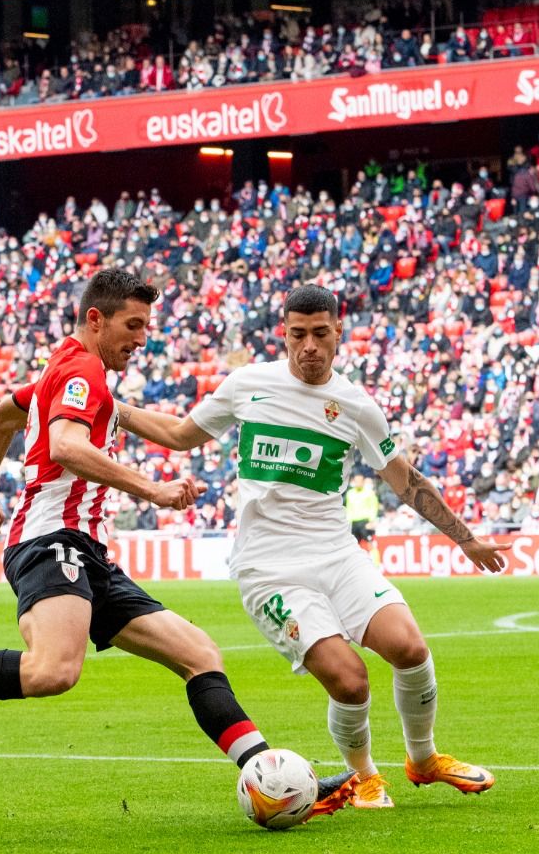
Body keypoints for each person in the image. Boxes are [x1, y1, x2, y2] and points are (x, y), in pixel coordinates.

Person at [0, 269, 353, 817]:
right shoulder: (82, 370)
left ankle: (272, 780)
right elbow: (66, 446)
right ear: (96, 319)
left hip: (88, 553)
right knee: (53, 670)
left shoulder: (67, 370)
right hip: (52, 541)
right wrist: (153, 489)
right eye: (133, 324)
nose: (142, 338)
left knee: (198, 654)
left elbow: (0, 419)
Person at [113, 284, 510, 809]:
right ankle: (364, 774)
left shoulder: (356, 406)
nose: (309, 346)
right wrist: (109, 405)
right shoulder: (247, 385)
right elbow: (181, 434)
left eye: (320, 333)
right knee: (350, 680)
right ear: (284, 332)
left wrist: (467, 539)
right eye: (297, 334)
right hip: (269, 568)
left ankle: (423, 759)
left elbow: (405, 480)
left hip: (337, 553)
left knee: (410, 648)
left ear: (337, 333)